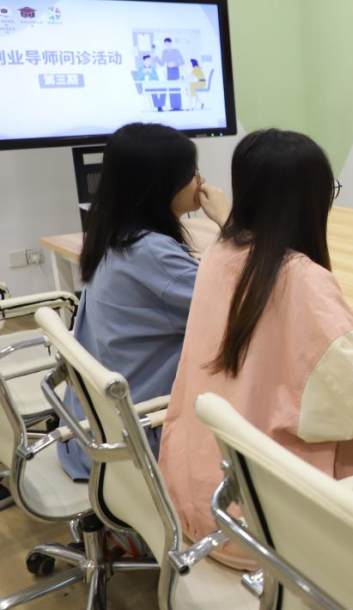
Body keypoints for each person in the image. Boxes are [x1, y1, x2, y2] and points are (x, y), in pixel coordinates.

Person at [159, 129, 353, 567]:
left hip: (203, 497)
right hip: (271, 525)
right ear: (308, 199)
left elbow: (267, 326)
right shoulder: (300, 276)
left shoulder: (219, 254)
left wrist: (346, 325)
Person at [58, 123, 230, 481]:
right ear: (163, 185)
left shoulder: (112, 234)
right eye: (192, 173)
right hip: (139, 442)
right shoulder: (152, 253)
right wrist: (228, 223)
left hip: (91, 429)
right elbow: (239, 305)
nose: (199, 181)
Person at [157, 37, 184, 111]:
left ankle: (178, 106)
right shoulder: (164, 52)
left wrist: (175, 64)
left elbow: (182, 62)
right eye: (166, 44)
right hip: (169, 71)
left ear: (171, 43)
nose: (167, 45)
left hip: (175, 70)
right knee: (171, 88)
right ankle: (173, 106)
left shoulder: (176, 51)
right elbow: (162, 63)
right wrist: (156, 58)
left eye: (168, 43)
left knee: (177, 88)